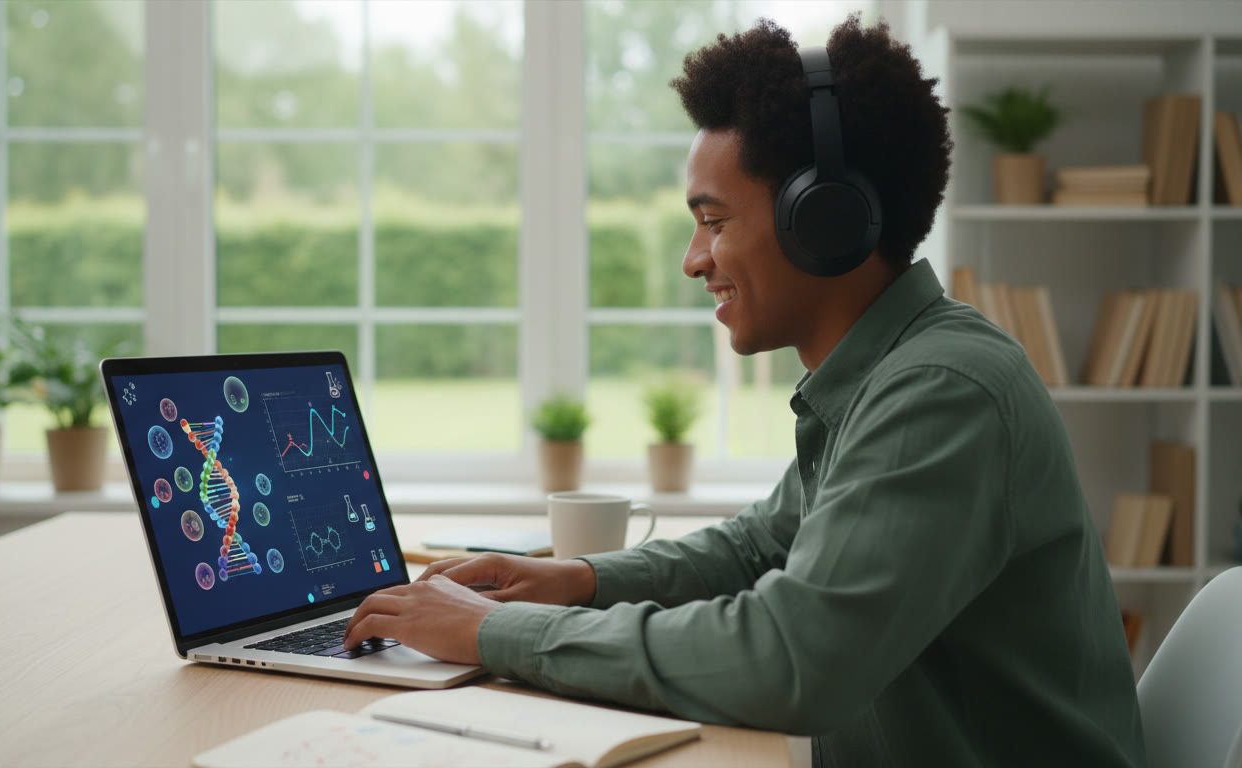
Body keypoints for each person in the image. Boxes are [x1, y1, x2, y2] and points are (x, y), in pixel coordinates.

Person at [343, 15, 1146, 766]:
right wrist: (577, 580)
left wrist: (501, 633)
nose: (695, 259)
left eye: (715, 220)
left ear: (824, 220)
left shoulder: (942, 392)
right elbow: (760, 547)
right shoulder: (886, 373)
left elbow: (794, 659)